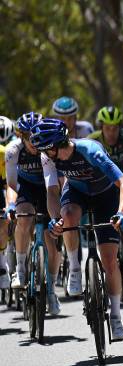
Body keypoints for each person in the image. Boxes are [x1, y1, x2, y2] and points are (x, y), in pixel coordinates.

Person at [32, 118, 123, 340]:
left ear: (58, 144)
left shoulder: (90, 150)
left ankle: (115, 317)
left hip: (106, 195)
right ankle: (75, 269)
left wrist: (121, 213)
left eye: (46, 149)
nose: (44, 153)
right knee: (67, 216)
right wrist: (56, 219)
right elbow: (51, 191)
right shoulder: (47, 156)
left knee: (109, 262)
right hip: (77, 192)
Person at [6, 112, 62, 313]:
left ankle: (52, 291)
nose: (32, 141)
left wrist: (56, 214)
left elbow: (51, 185)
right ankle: (20, 269)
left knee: (53, 242)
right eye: (28, 137)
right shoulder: (13, 151)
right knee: (23, 219)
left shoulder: (46, 150)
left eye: (34, 135)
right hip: (26, 189)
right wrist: (11, 206)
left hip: (48, 189)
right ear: (21, 136)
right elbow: (11, 185)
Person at [89, 106, 123, 257]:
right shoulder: (93, 140)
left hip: (120, 183)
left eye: (115, 128)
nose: (111, 133)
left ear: (120, 127)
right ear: (101, 127)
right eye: (107, 128)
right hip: (100, 185)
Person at [0, 116, 14, 289]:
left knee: (4, 222)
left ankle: (2, 264)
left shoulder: (3, 152)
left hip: (1, 187)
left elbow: (7, 185)